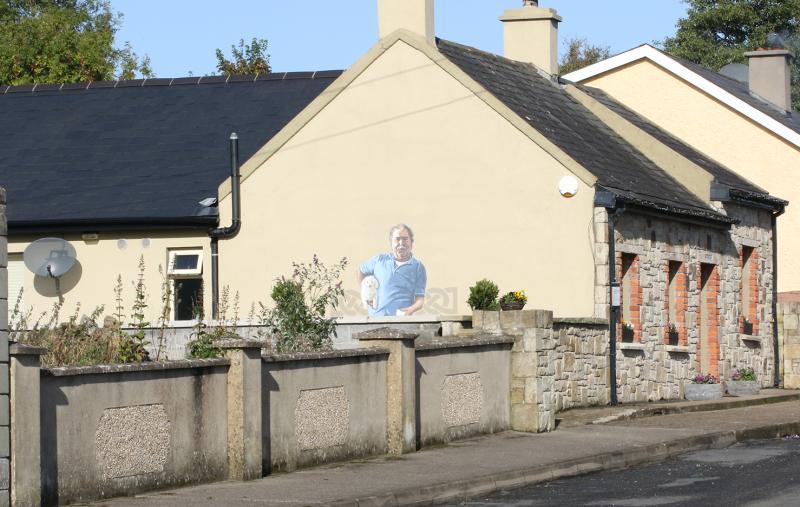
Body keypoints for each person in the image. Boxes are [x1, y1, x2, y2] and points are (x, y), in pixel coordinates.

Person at [358, 224, 427, 316]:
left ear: (411, 242)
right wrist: (366, 293)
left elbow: (420, 300)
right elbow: (360, 271)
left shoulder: (418, 267)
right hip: (375, 318)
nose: (401, 243)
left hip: (401, 321)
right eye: (397, 239)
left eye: (405, 239)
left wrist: (410, 310)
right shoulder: (379, 260)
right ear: (391, 242)